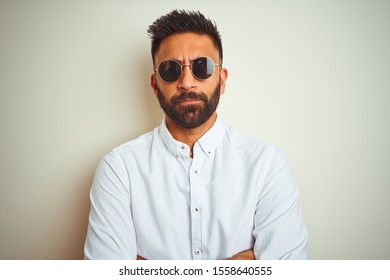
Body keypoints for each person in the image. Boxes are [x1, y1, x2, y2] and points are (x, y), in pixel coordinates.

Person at [84, 10, 308, 260]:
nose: (187, 82)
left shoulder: (267, 165)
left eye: (202, 67)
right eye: (171, 69)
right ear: (155, 84)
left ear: (222, 80)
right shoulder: (119, 169)